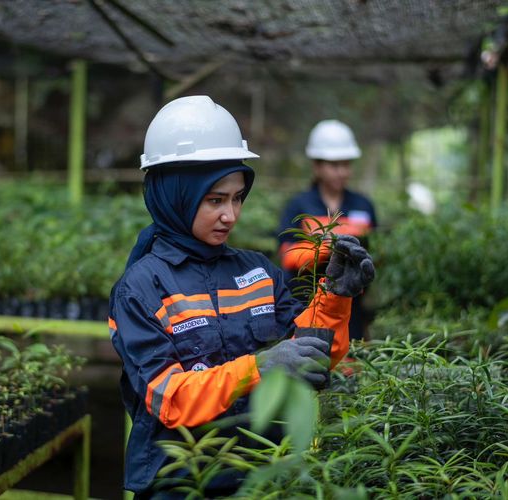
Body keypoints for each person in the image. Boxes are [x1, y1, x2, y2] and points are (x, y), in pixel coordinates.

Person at [109, 96, 375, 498]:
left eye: (236, 198)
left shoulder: (255, 270)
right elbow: (169, 399)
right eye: (215, 200)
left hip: (260, 475)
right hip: (180, 481)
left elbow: (310, 354)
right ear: (174, 194)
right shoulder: (142, 287)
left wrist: (335, 298)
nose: (230, 215)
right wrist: (260, 368)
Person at [277, 119, 377, 342]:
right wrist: (329, 249)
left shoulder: (363, 205)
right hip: (306, 305)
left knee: (350, 365)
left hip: (352, 305)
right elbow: (288, 256)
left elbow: (376, 252)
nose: (342, 172)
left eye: (346, 164)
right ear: (317, 166)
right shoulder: (299, 206)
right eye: (334, 165)